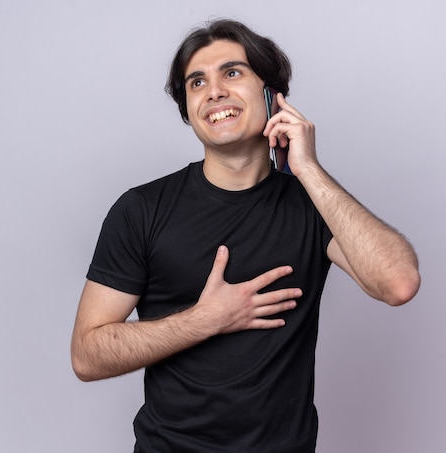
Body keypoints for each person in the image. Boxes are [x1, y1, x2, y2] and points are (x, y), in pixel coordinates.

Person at [71, 19, 420, 452]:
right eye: (197, 82)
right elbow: (87, 354)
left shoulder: (313, 204)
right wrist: (206, 320)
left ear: (274, 96)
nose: (214, 91)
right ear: (188, 110)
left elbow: (398, 283)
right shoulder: (141, 210)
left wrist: (308, 169)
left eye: (232, 73)